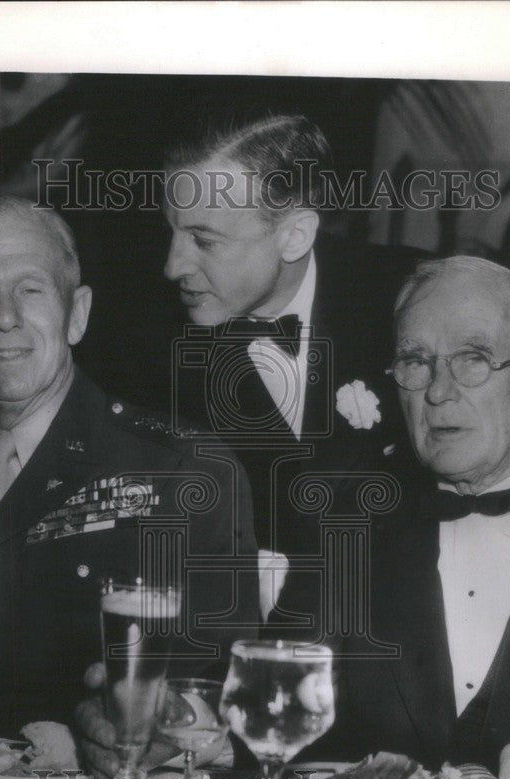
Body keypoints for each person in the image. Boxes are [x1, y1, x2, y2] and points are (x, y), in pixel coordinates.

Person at [0, 195, 259, 738]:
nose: (5, 317)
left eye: (31, 289)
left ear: (77, 314)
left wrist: (159, 724)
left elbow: (223, 697)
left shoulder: (182, 472)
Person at [278, 256, 510, 779]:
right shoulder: (346, 519)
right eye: (416, 361)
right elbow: (279, 723)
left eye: (474, 359)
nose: (437, 392)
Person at [163, 112, 423, 614]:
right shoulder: (142, 346)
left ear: (295, 235)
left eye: (204, 240)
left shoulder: (409, 296)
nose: (173, 265)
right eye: (171, 232)